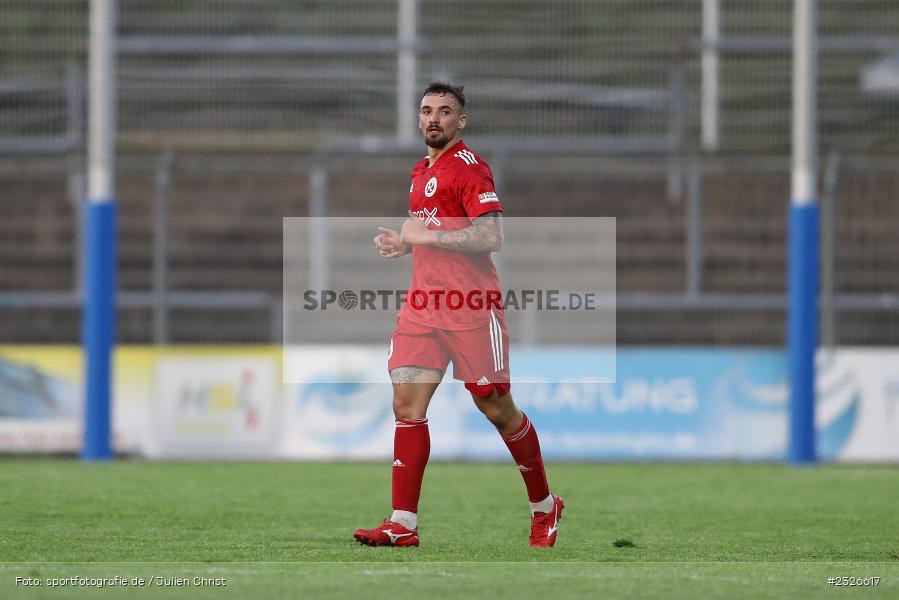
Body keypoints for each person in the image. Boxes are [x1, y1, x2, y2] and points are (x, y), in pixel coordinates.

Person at [353, 82, 563, 548]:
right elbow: (437, 233)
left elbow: (490, 236)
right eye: (426, 110)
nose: (434, 118)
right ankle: (402, 524)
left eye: (445, 111)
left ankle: (545, 507)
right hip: (424, 307)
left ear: (460, 121)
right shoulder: (420, 170)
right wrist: (405, 243)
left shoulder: (470, 169)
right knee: (407, 405)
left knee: (495, 407)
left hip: (471, 307)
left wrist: (422, 238)